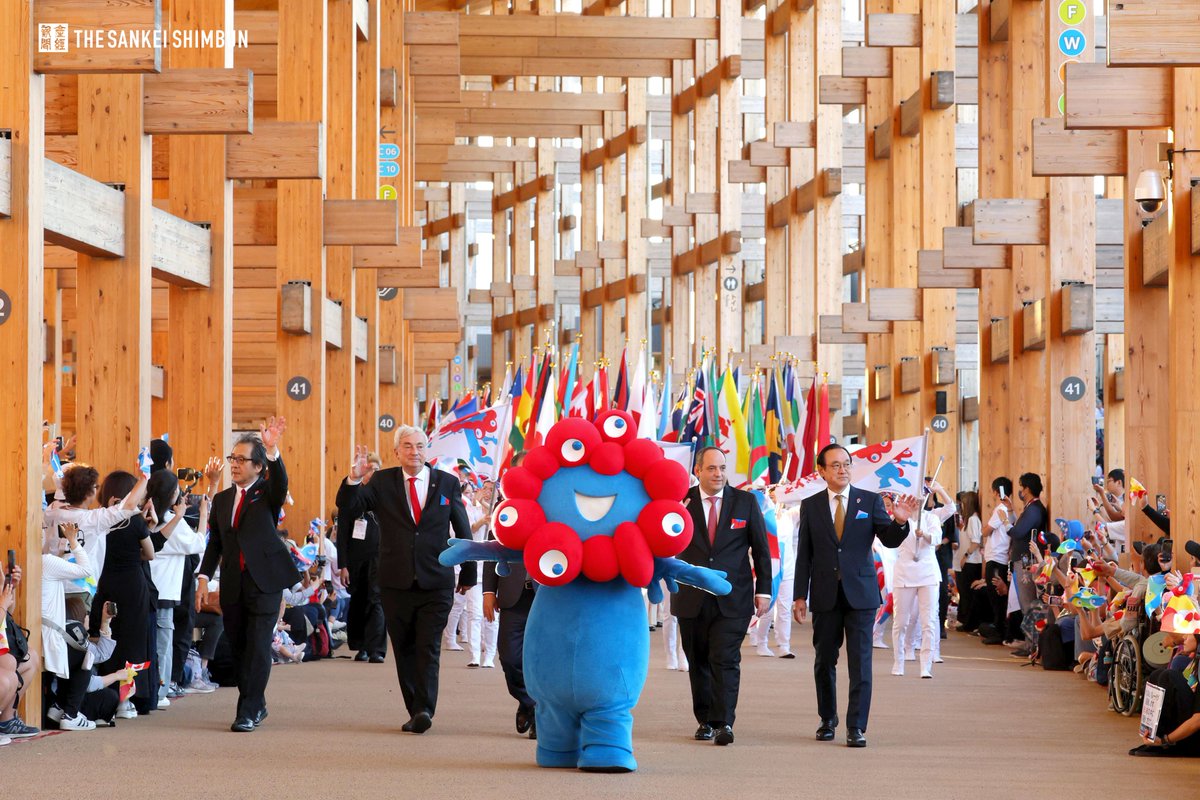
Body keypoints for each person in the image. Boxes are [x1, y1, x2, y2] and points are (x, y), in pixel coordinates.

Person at [337, 425, 476, 735]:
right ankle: (416, 708)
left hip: (436, 580)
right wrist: (355, 479)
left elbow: (462, 529)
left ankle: (425, 708)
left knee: (428, 647)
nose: (415, 451)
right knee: (404, 648)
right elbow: (349, 507)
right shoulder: (382, 482)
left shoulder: (447, 483)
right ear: (396, 451)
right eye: (408, 446)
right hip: (395, 581)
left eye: (420, 445)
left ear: (427, 450)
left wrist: (468, 571)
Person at [792, 443, 919, 748]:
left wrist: (900, 521)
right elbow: (804, 554)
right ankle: (827, 719)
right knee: (825, 660)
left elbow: (888, 540)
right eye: (835, 465)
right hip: (825, 594)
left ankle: (856, 726)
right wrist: (799, 596)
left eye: (846, 464)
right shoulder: (811, 505)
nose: (843, 469)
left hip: (860, 595)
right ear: (821, 471)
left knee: (860, 662)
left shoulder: (870, 500)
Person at [196, 417, 300, 733]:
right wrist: (202, 578)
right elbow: (215, 542)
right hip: (232, 583)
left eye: (242, 460)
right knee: (240, 646)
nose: (235, 465)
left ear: (258, 466)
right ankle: (257, 702)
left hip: (265, 581)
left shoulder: (268, 493)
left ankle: (247, 711)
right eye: (233, 459)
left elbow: (280, 481)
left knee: (257, 645)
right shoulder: (224, 499)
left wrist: (272, 448)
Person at [674, 446, 772, 747]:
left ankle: (724, 722)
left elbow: (761, 548)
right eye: (712, 468)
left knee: (726, 659)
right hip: (691, 597)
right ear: (698, 471)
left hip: (734, 597)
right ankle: (704, 719)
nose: (718, 474)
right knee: (699, 661)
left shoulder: (745, 502)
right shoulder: (681, 502)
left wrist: (764, 590)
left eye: (722, 468)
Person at [88, 471, 158, 717]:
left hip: (105, 583)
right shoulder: (135, 520)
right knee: (133, 642)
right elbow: (149, 554)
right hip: (132, 585)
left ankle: (105, 695)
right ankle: (125, 701)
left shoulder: (98, 518)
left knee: (107, 636)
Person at [336, 451, 387, 663]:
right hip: (356, 559)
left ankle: (376, 649)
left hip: (380, 558)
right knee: (358, 601)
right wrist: (343, 565)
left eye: (375, 469)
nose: (371, 472)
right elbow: (342, 533)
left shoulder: (384, 495)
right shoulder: (352, 495)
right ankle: (361, 646)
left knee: (376, 601)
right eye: (368, 468)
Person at [888, 494, 942, 679]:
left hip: (927, 571)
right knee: (901, 621)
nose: (917, 501)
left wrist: (925, 534)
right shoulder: (900, 518)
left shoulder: (931, 518)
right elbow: (890, 539)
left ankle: (925, 665)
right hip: (905, 572)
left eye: (921, 497)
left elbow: (937, 537)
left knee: (928, 621)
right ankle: (898, 661)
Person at [1006, 473, 1049, 658]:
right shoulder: (1032, 508)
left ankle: (1032, 645)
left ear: (1028, 489)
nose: (1020, 491)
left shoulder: (1034, 509)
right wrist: (1009, 512)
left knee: (1028, 603)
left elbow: (1017, 531)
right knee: (1026, 603)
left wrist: (1004, 522)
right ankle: (1030, 642)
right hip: (1024, 559)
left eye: (1021, 487)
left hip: (1026, 561)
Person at [978, 477, 1014, 644]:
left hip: (997, 557)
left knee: (997, 596)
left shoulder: (1001, 508)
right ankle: (999, 629)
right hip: (999, 555)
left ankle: (999, 631)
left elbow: (986, 531)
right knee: (996, 596)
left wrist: (984, 527)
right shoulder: (1007, 509)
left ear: (996, 491)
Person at [953, 490, 984, 633]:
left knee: (968, 593)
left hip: (972, 562)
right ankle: (965, 620)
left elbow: (976, 542)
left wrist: (966, 555)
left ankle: (970, 622)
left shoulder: (973, 519)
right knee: (964, 593)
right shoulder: (968, 520)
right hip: (966, 561)